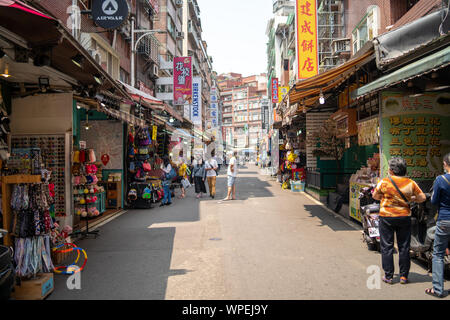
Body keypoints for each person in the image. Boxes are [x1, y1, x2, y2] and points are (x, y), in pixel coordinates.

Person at [372, 157, 426, 284]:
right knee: (404, 247)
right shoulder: (410, 183)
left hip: (386, 217)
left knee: (387, 246)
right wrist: (412, 199)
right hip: (404, 217)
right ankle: (403, 276)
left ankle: (389, 276)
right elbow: (422, 197)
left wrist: (386, 197)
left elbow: (375, 195)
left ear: (391, 170)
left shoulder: (384, 182)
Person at [426, 153, 450, 298]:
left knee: (438, 255)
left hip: (445, 220)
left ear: (446, 164)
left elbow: (434, 201)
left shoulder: (440, 180)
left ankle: (438, 289)